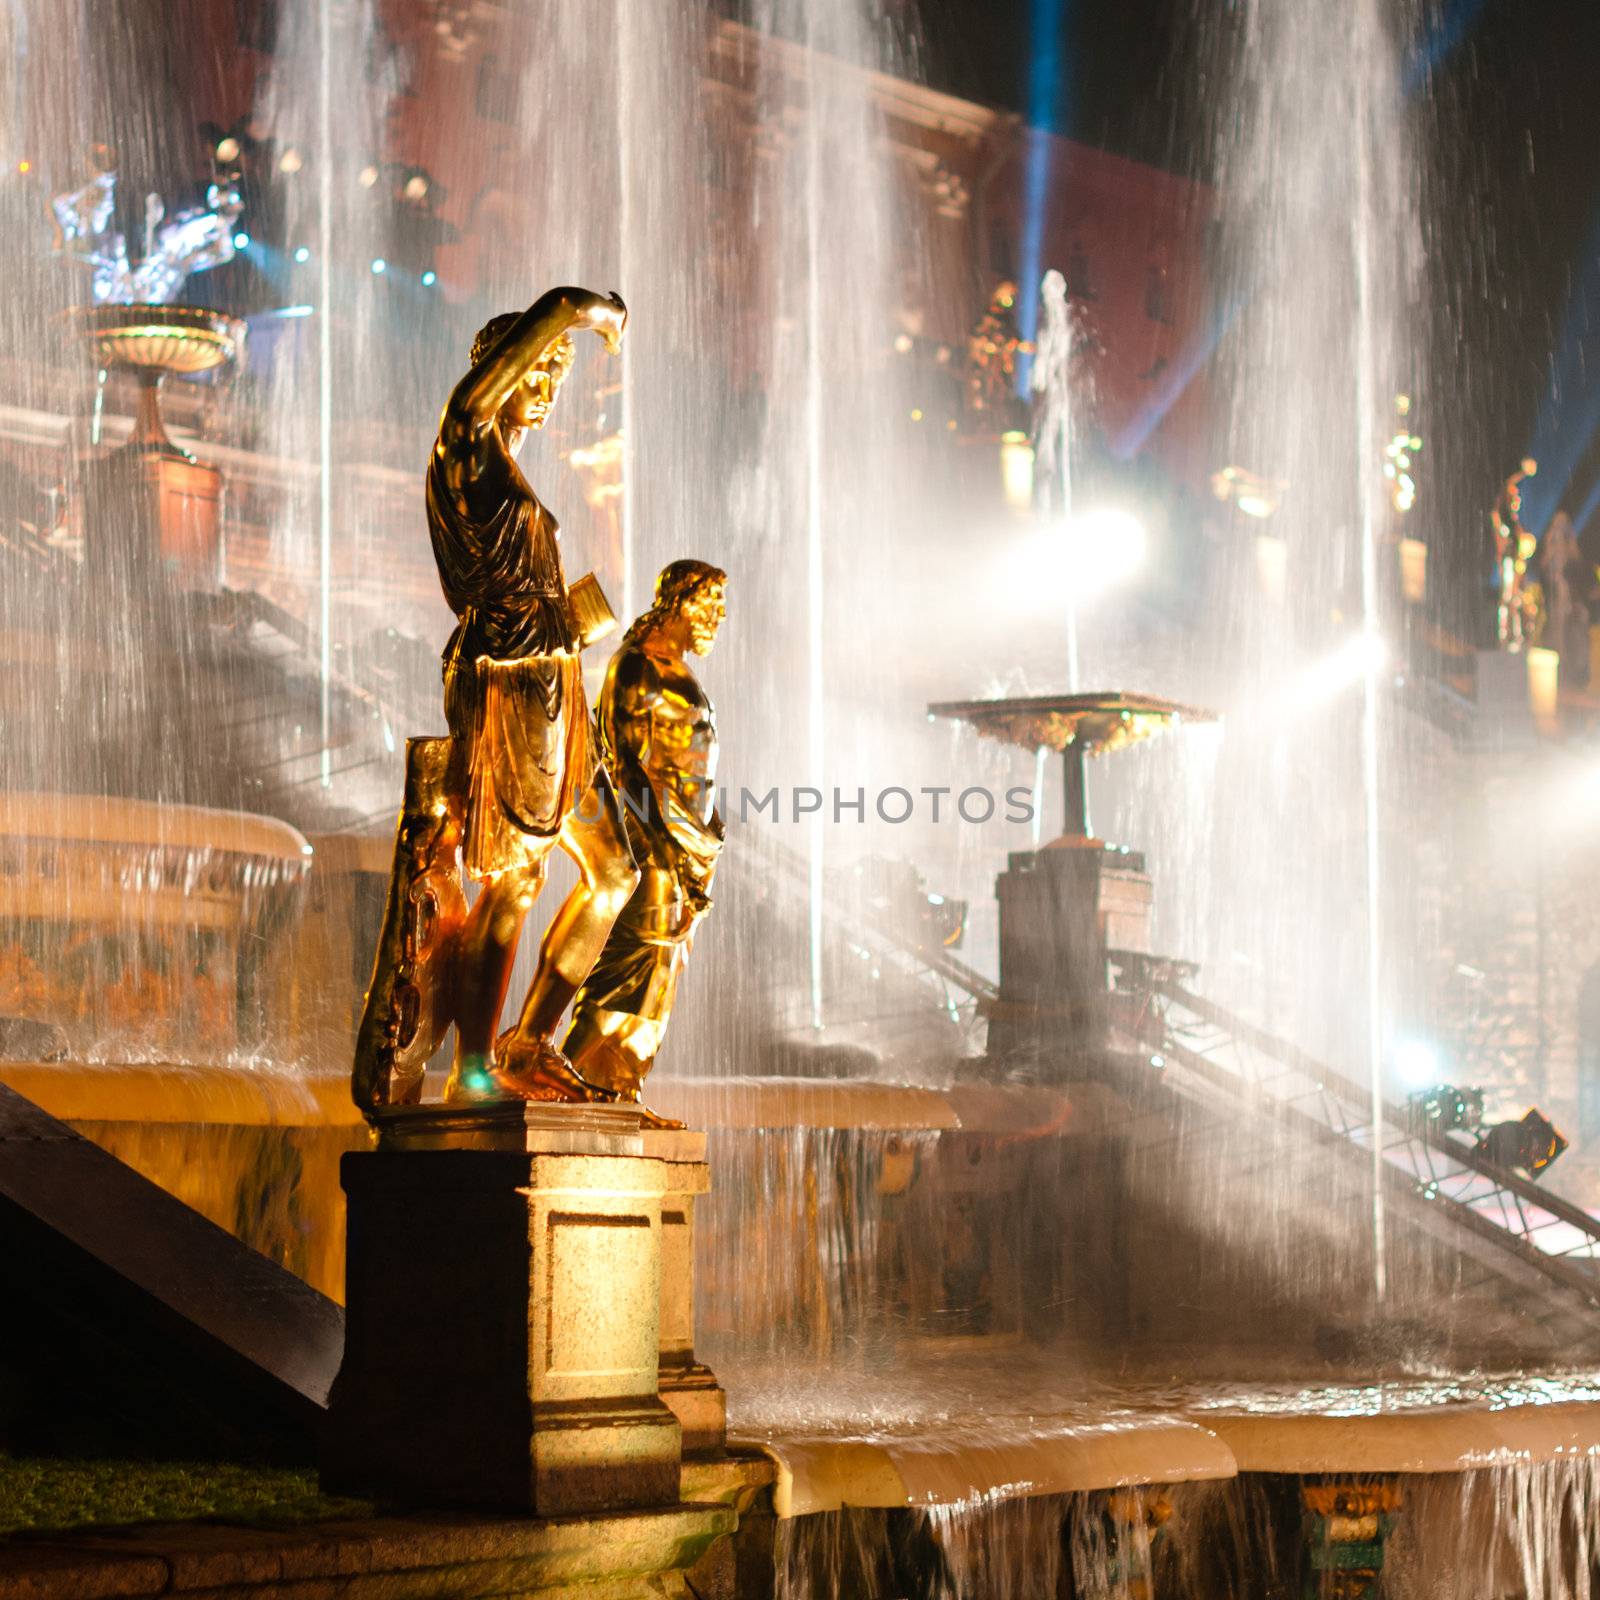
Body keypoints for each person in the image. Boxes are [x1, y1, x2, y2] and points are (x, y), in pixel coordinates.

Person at [353, 286, 641, 1109]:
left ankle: (527, 1043)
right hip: (505, 691)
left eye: (557, 372)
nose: (548, 385)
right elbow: (498, 597)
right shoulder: (466, 447)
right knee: (515, 880)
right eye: (538, 368)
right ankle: (475, 1070)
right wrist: (577, 309)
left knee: (614, 868)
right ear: (498, 372)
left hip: (557, 689)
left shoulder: (507, 468)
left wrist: (575, 617)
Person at [561, 562, 727, 1121]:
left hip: (688, 847)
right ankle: (573, 1079)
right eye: (710, 603)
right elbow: (621, 766)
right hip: (651, 844)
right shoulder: (635, 667)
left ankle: (618, 1091)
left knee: (658, 975)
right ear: (680, 601)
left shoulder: (678, 670)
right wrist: (658, 854)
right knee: (626, 968)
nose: (719, 615)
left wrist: (705, 840)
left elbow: (691, 764)